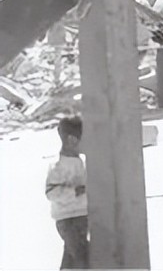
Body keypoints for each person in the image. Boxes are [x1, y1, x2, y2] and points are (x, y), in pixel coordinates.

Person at [45, 116, 88, 270]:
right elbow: (51, 193)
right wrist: (75, 191)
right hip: (68, 219)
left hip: (82, 215)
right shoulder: (58, 166)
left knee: (73, 256)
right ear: (72, 140)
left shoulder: (80, 161)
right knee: (81, 257)